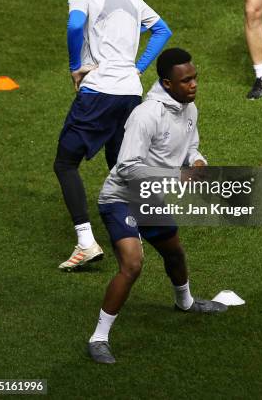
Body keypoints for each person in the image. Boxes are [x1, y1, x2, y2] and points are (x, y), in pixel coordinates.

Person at [88, 48, 227, 364]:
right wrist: (177, 175)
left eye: (194, 78)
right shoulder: (146, 115)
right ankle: (98, 338)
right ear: (166, 83)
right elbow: (127, 168)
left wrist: (198, 160)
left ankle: (186, 302)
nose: (193, 85)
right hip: (120, 198)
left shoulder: (188, 109)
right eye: (186, 80)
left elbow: (191, 146)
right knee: (133, 264)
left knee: (174, 253)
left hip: (150, 197)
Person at [54, 0, 172, 271]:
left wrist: (76, 68)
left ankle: (86, 242)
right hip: (130, 92)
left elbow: (76, 24)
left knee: (65, 163)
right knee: (120, 161)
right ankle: (148, 228)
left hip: (100, 90)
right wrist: (137, 68)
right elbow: (162, 30)